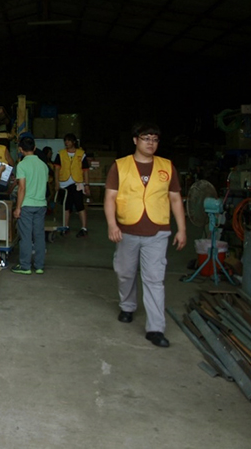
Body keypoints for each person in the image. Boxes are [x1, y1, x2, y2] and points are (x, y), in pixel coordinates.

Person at [104, 122, 186, 348]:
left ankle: (155, 328)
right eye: (146, 138)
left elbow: (176, 198)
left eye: (155, 139)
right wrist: (112, 225)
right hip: (127, 230)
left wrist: (182, 229)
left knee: (154, 279)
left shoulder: (167, 166)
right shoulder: (119, 166)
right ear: (135, 140)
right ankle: (127, 306)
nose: (151, 143)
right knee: (125, 272)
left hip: (157, 231)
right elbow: (110, 198)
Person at [12, 136, 49, 275]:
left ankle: (25, 266)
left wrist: (18, 207)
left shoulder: (22, 165)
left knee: (26, 236)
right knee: (39, 235)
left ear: (20, 150)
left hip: (27, 204)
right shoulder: (43, 165)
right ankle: (39, 266)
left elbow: (22, 188)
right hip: (41, 204)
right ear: (34, 148)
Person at [53, 133, 90, 237]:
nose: (66, 143)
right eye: (65, 141)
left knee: (79, 205)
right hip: (64, 183)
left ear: (74, 142)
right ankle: (66, 226)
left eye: (68, 140)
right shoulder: (60, 154)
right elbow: (56, 168)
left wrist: (87, 185)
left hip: (76, 182)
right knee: (66, 206)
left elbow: (85, 170)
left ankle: (84, 227)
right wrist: (56, 182)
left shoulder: (81, 154)